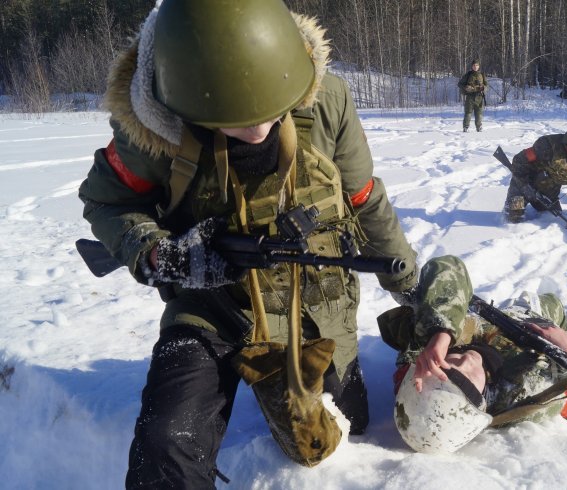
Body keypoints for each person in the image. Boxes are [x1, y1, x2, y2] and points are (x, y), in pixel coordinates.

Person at [77, 1, 418, 487]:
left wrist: (404, 277)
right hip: (210, 308)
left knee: (340, 432)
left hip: (314, 307)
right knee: (166, 442)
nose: (258, 131)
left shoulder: (327, 101)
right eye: (234, 119)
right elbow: (106, 204)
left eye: (270, 113)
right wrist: (164, 254)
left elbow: (364, 199)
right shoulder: (153, 126)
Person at [378, 255, 567, 453]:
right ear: (481, 401)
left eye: (447, 366)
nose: (463, 361)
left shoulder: (423, 359)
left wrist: (440, 332)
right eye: (464, 379)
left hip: (520, 315)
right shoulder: (524, 396)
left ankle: (566, 321)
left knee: (552, 301)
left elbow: (448, 267)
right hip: (553, 348)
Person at [503, 124, 567, 227]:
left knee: (553, 219)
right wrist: (524, 186)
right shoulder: (547, 147)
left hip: (547, 193)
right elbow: (519, 160)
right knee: (513, 219)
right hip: (522, 185)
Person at [457, 60, 488, 132]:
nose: (475, 67)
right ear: (472, 66)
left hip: (479, 97)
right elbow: (459, 84)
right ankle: (465, 127)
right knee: (468, 113)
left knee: (479, 114)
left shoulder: (482, 74)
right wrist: (467, 88)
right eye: (474, 65)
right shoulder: (468, 74)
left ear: (479, 66)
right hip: (470, 97)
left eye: (477, 65)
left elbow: (486, 85)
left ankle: (479, 127)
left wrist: (483, 88)